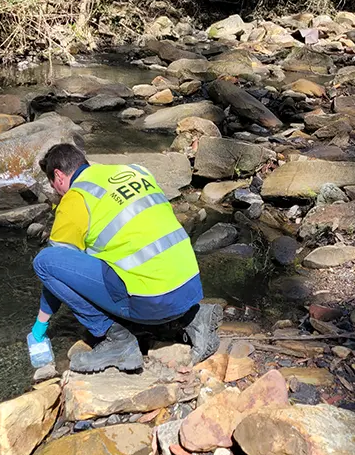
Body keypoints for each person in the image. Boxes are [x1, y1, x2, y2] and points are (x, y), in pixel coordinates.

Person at [30, 143, 222, 373]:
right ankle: (192, 318)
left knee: (44, 261)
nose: (57, 194)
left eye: (54, 186)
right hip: (190, 288)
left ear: (58, 176)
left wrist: (40, 327)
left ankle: (118, 341)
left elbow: (56, 268)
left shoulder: (76, 196)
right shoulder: (133, 171)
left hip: (153, 304)